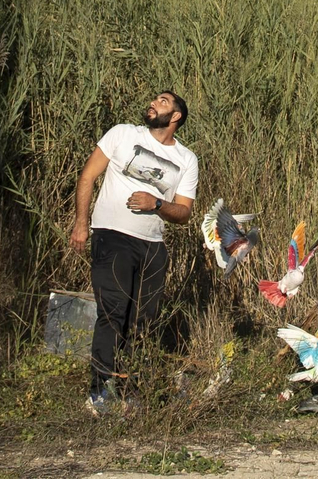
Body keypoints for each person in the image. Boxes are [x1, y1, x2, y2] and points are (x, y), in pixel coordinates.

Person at [71, 90, 197, 416]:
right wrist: (81, 224)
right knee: (113, 314)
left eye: (164, 102)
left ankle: (131, 394)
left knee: (143, 321)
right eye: (155, 99)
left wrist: (155, 203)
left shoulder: (186, 159)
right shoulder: (123, 134)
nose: (154, 103)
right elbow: (87, 177)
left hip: (153, 246)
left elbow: (183, 213)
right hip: (112, 235)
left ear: (176, 117)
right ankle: (99, 393)